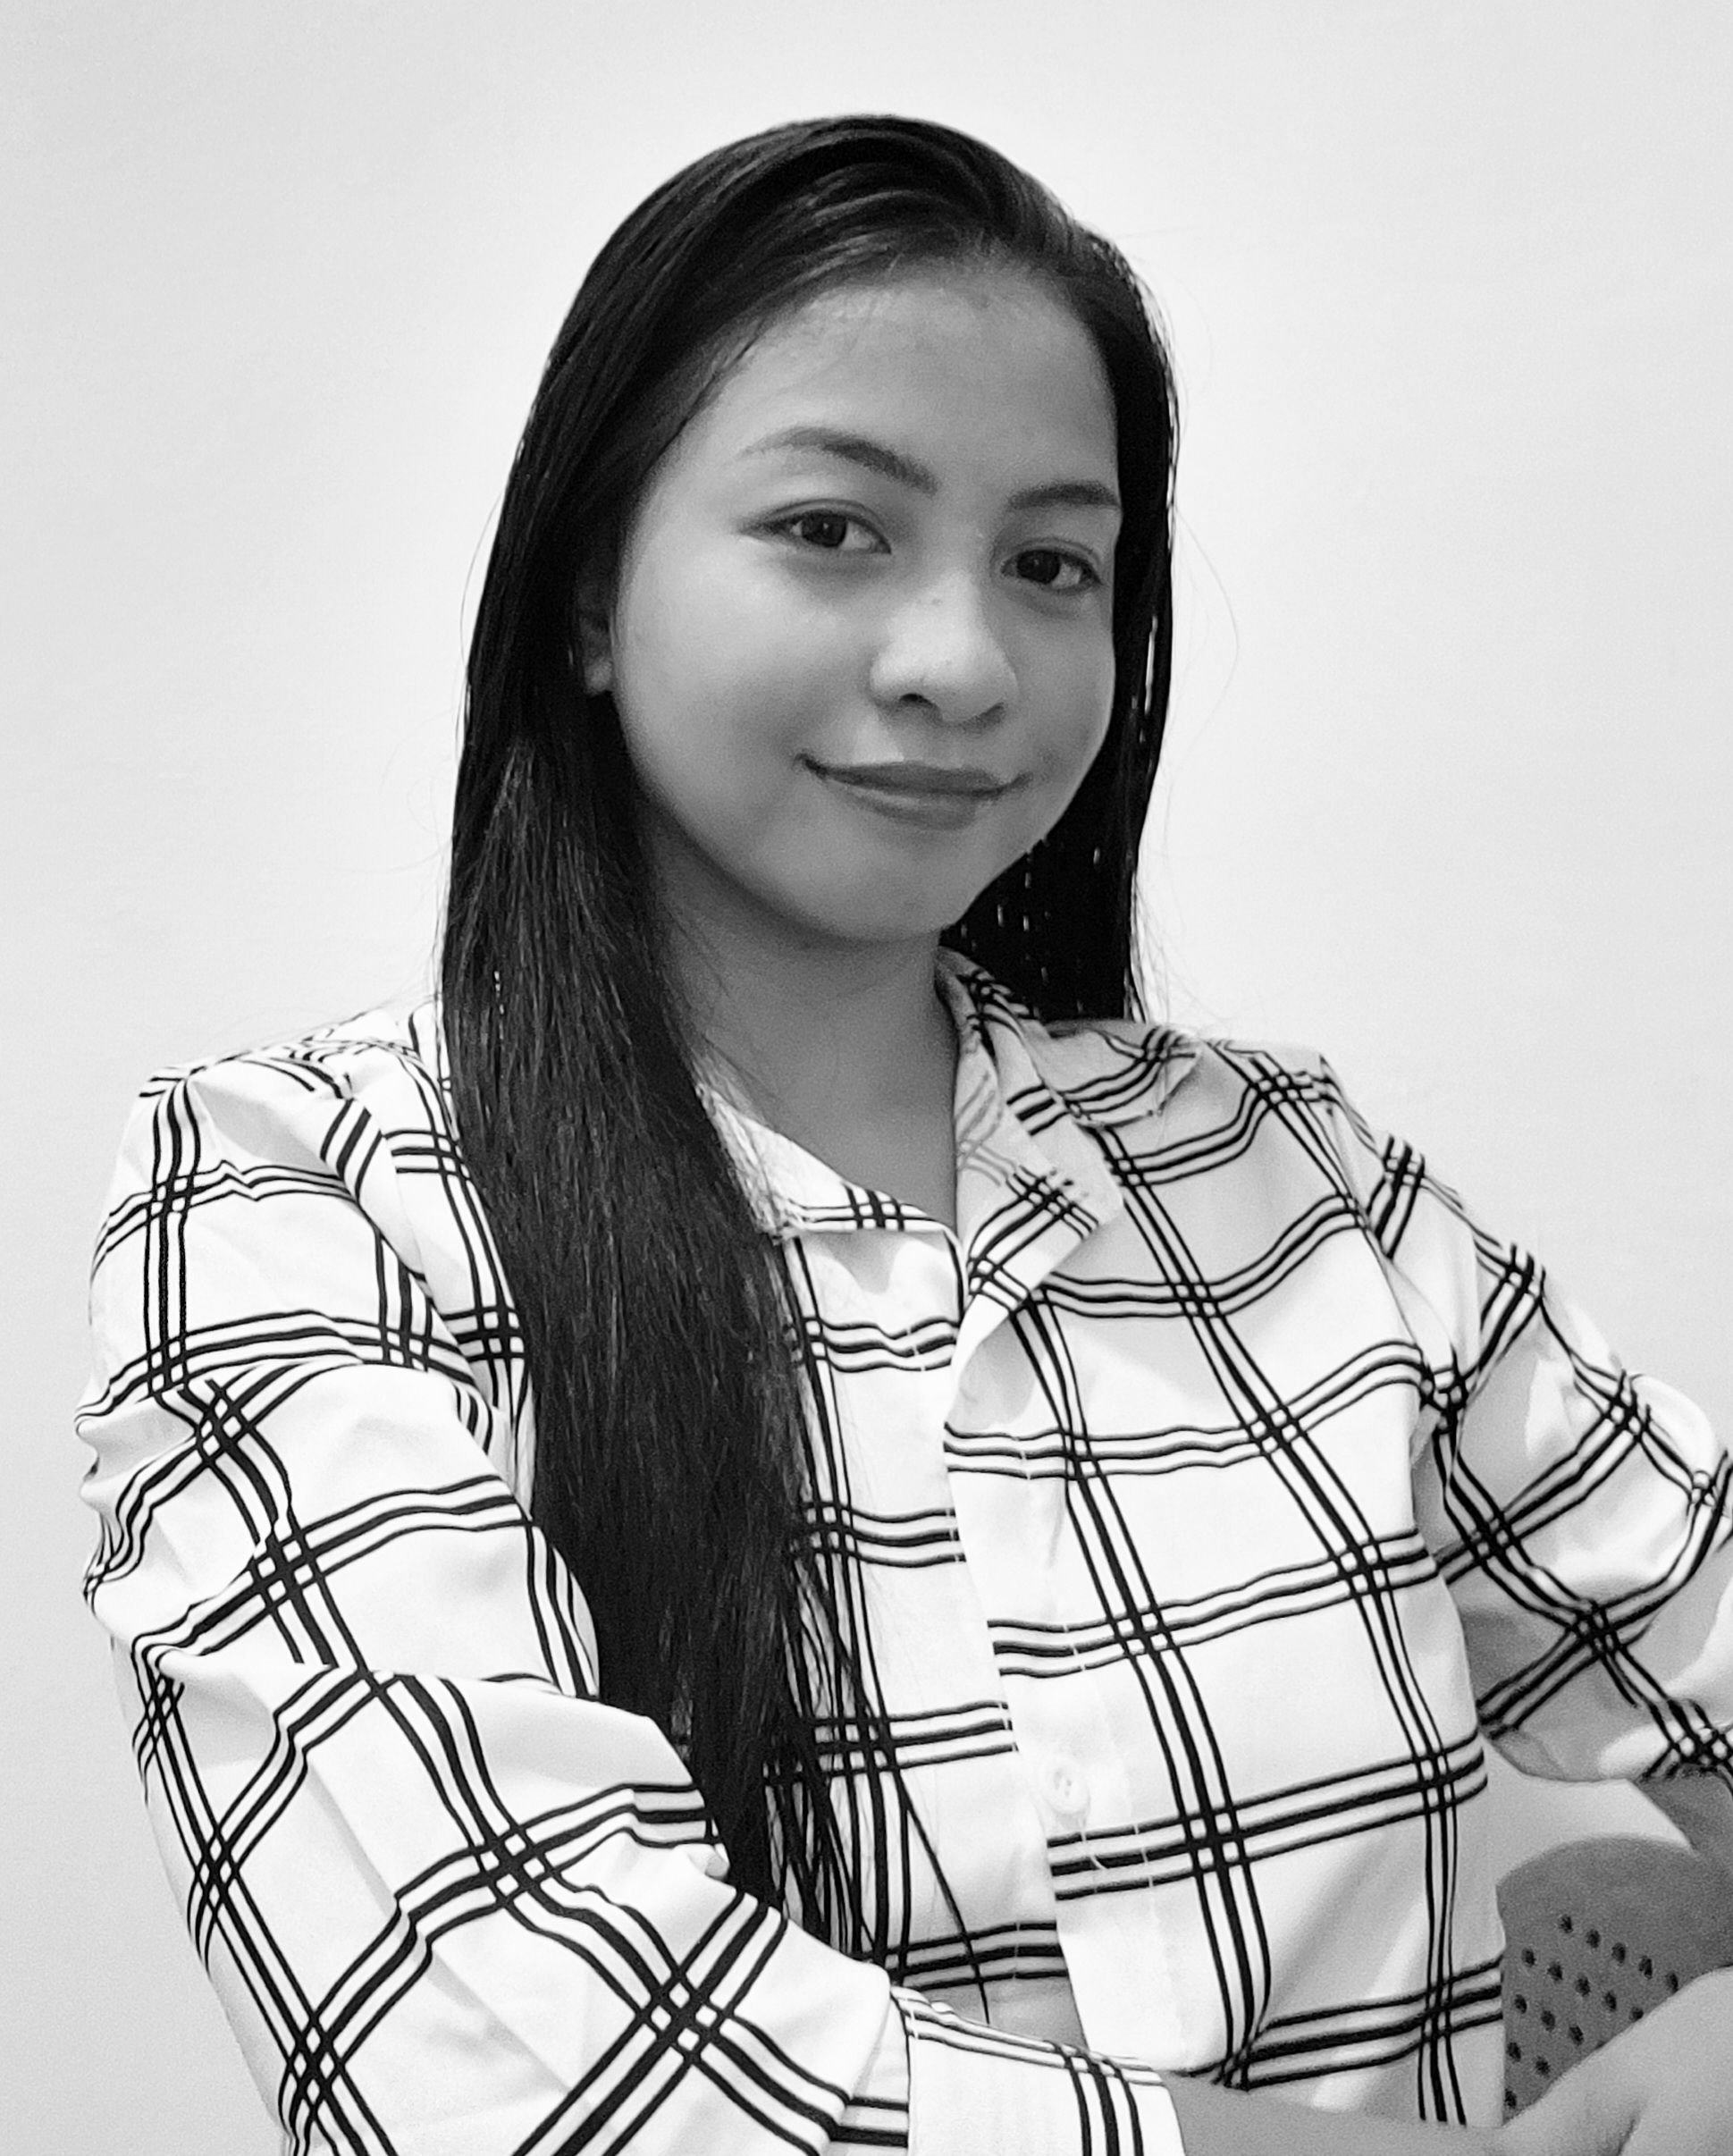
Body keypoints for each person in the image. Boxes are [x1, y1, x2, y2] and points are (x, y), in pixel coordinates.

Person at [78, 114, 1733, 2156]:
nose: (961, 663)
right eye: (831, 528)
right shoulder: (302, 1199)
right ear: (589, 592)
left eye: (1052, 565)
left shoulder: (1288, 1180)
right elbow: (524, 2074)